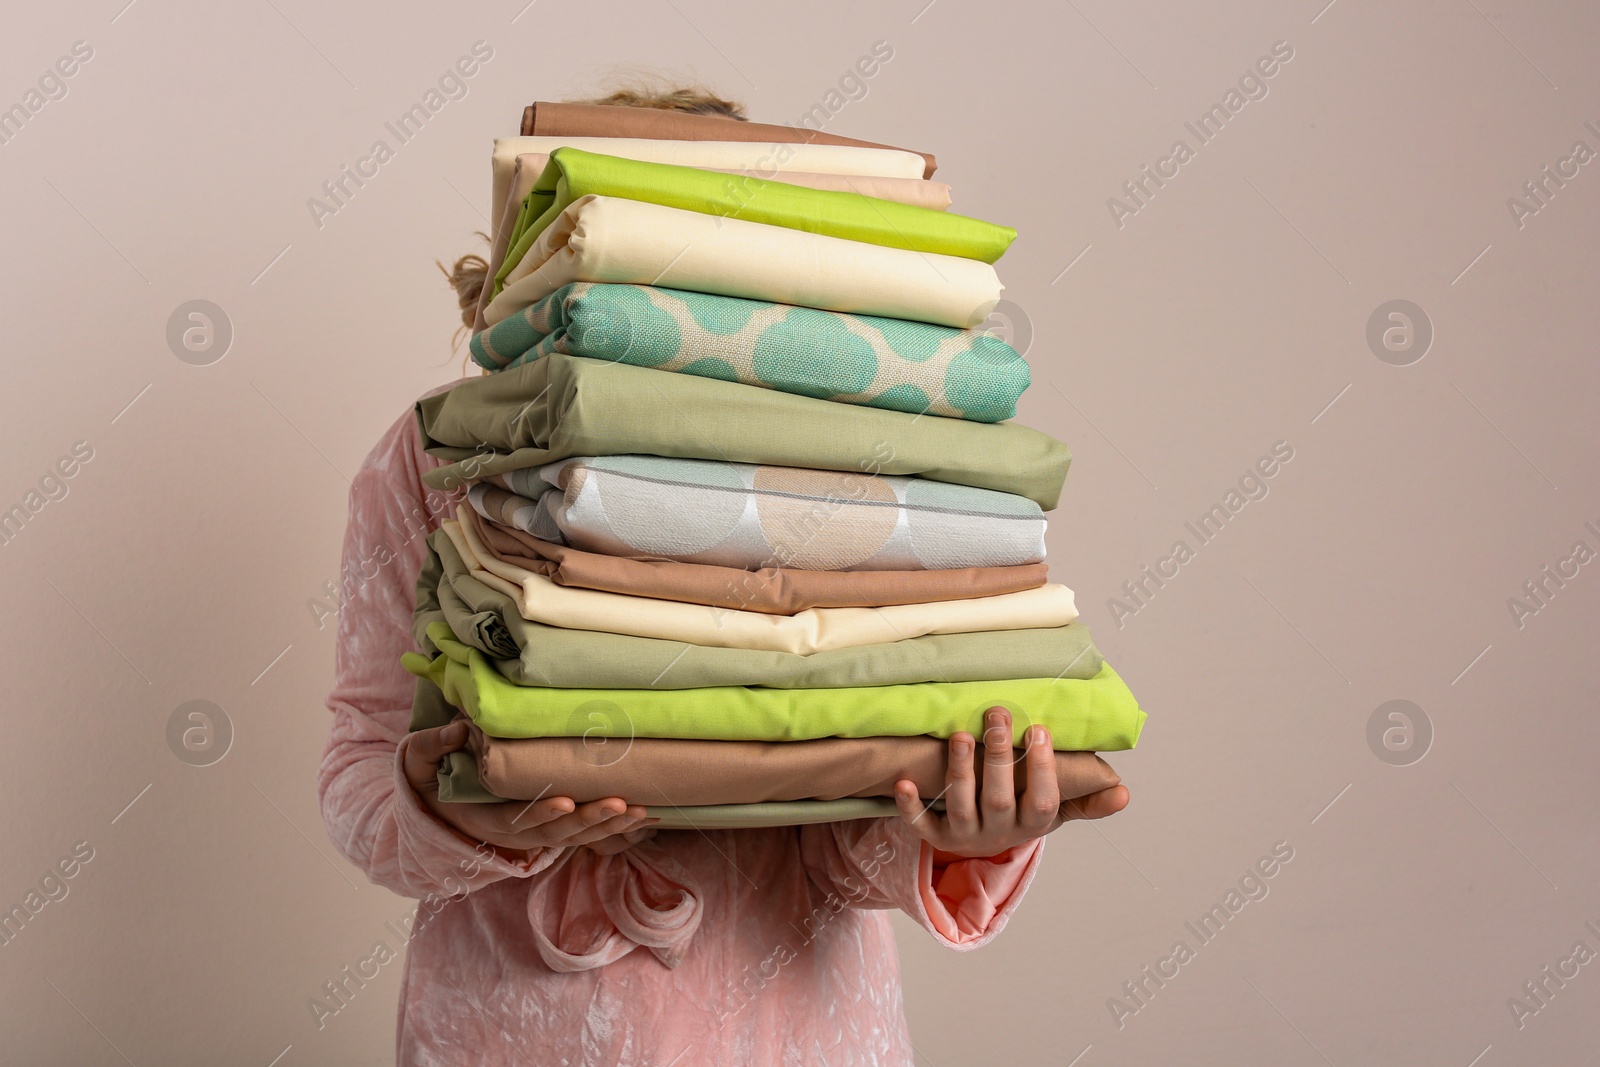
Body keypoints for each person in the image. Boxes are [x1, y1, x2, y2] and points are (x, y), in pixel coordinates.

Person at [320, 83, 1130, 1066]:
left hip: (796, 1028)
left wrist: (967, 822)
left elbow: (851, 800)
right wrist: (457, 802)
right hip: (512, 1027)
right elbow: (363, 778)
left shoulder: (868, 444)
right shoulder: (438, 455)